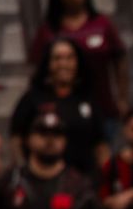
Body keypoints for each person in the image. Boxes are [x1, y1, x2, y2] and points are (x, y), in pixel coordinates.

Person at [30, 0, 128, 138]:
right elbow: (36, 70)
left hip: (102, 108)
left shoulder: (102, 24)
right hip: (60, 113)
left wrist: (122, 99)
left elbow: (120, 61)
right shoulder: (48, 30)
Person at [11, 38, 109, 179]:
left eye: (69, 58)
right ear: (48, 63)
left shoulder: (87, 98)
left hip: (82, 180)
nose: (63, 64)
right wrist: (23, 173)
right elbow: (16, 138)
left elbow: (101, 145)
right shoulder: (33, 98)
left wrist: (105, 178)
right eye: (57, 58)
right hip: (40, 180)